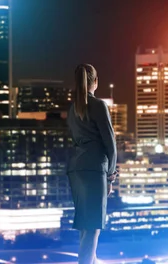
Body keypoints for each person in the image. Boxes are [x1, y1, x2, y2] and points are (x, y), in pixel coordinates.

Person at [67, 64, 117, 264]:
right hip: (94, 168)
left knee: (85, 225)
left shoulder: (73, 109)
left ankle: (91, 260)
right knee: (94, 225)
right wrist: (111, 175)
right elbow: (110, 143)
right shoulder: (98, 105)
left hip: (76, 169)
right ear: (95, 82)